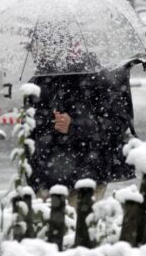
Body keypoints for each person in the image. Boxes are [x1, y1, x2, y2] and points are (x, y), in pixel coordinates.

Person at [26, 71, 129, 202]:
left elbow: (117, 123)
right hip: (45, 179)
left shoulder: (99, 76)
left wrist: (75, 125)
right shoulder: (37, 81)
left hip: (87, 178)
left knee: (79, 221)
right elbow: (30, 128)